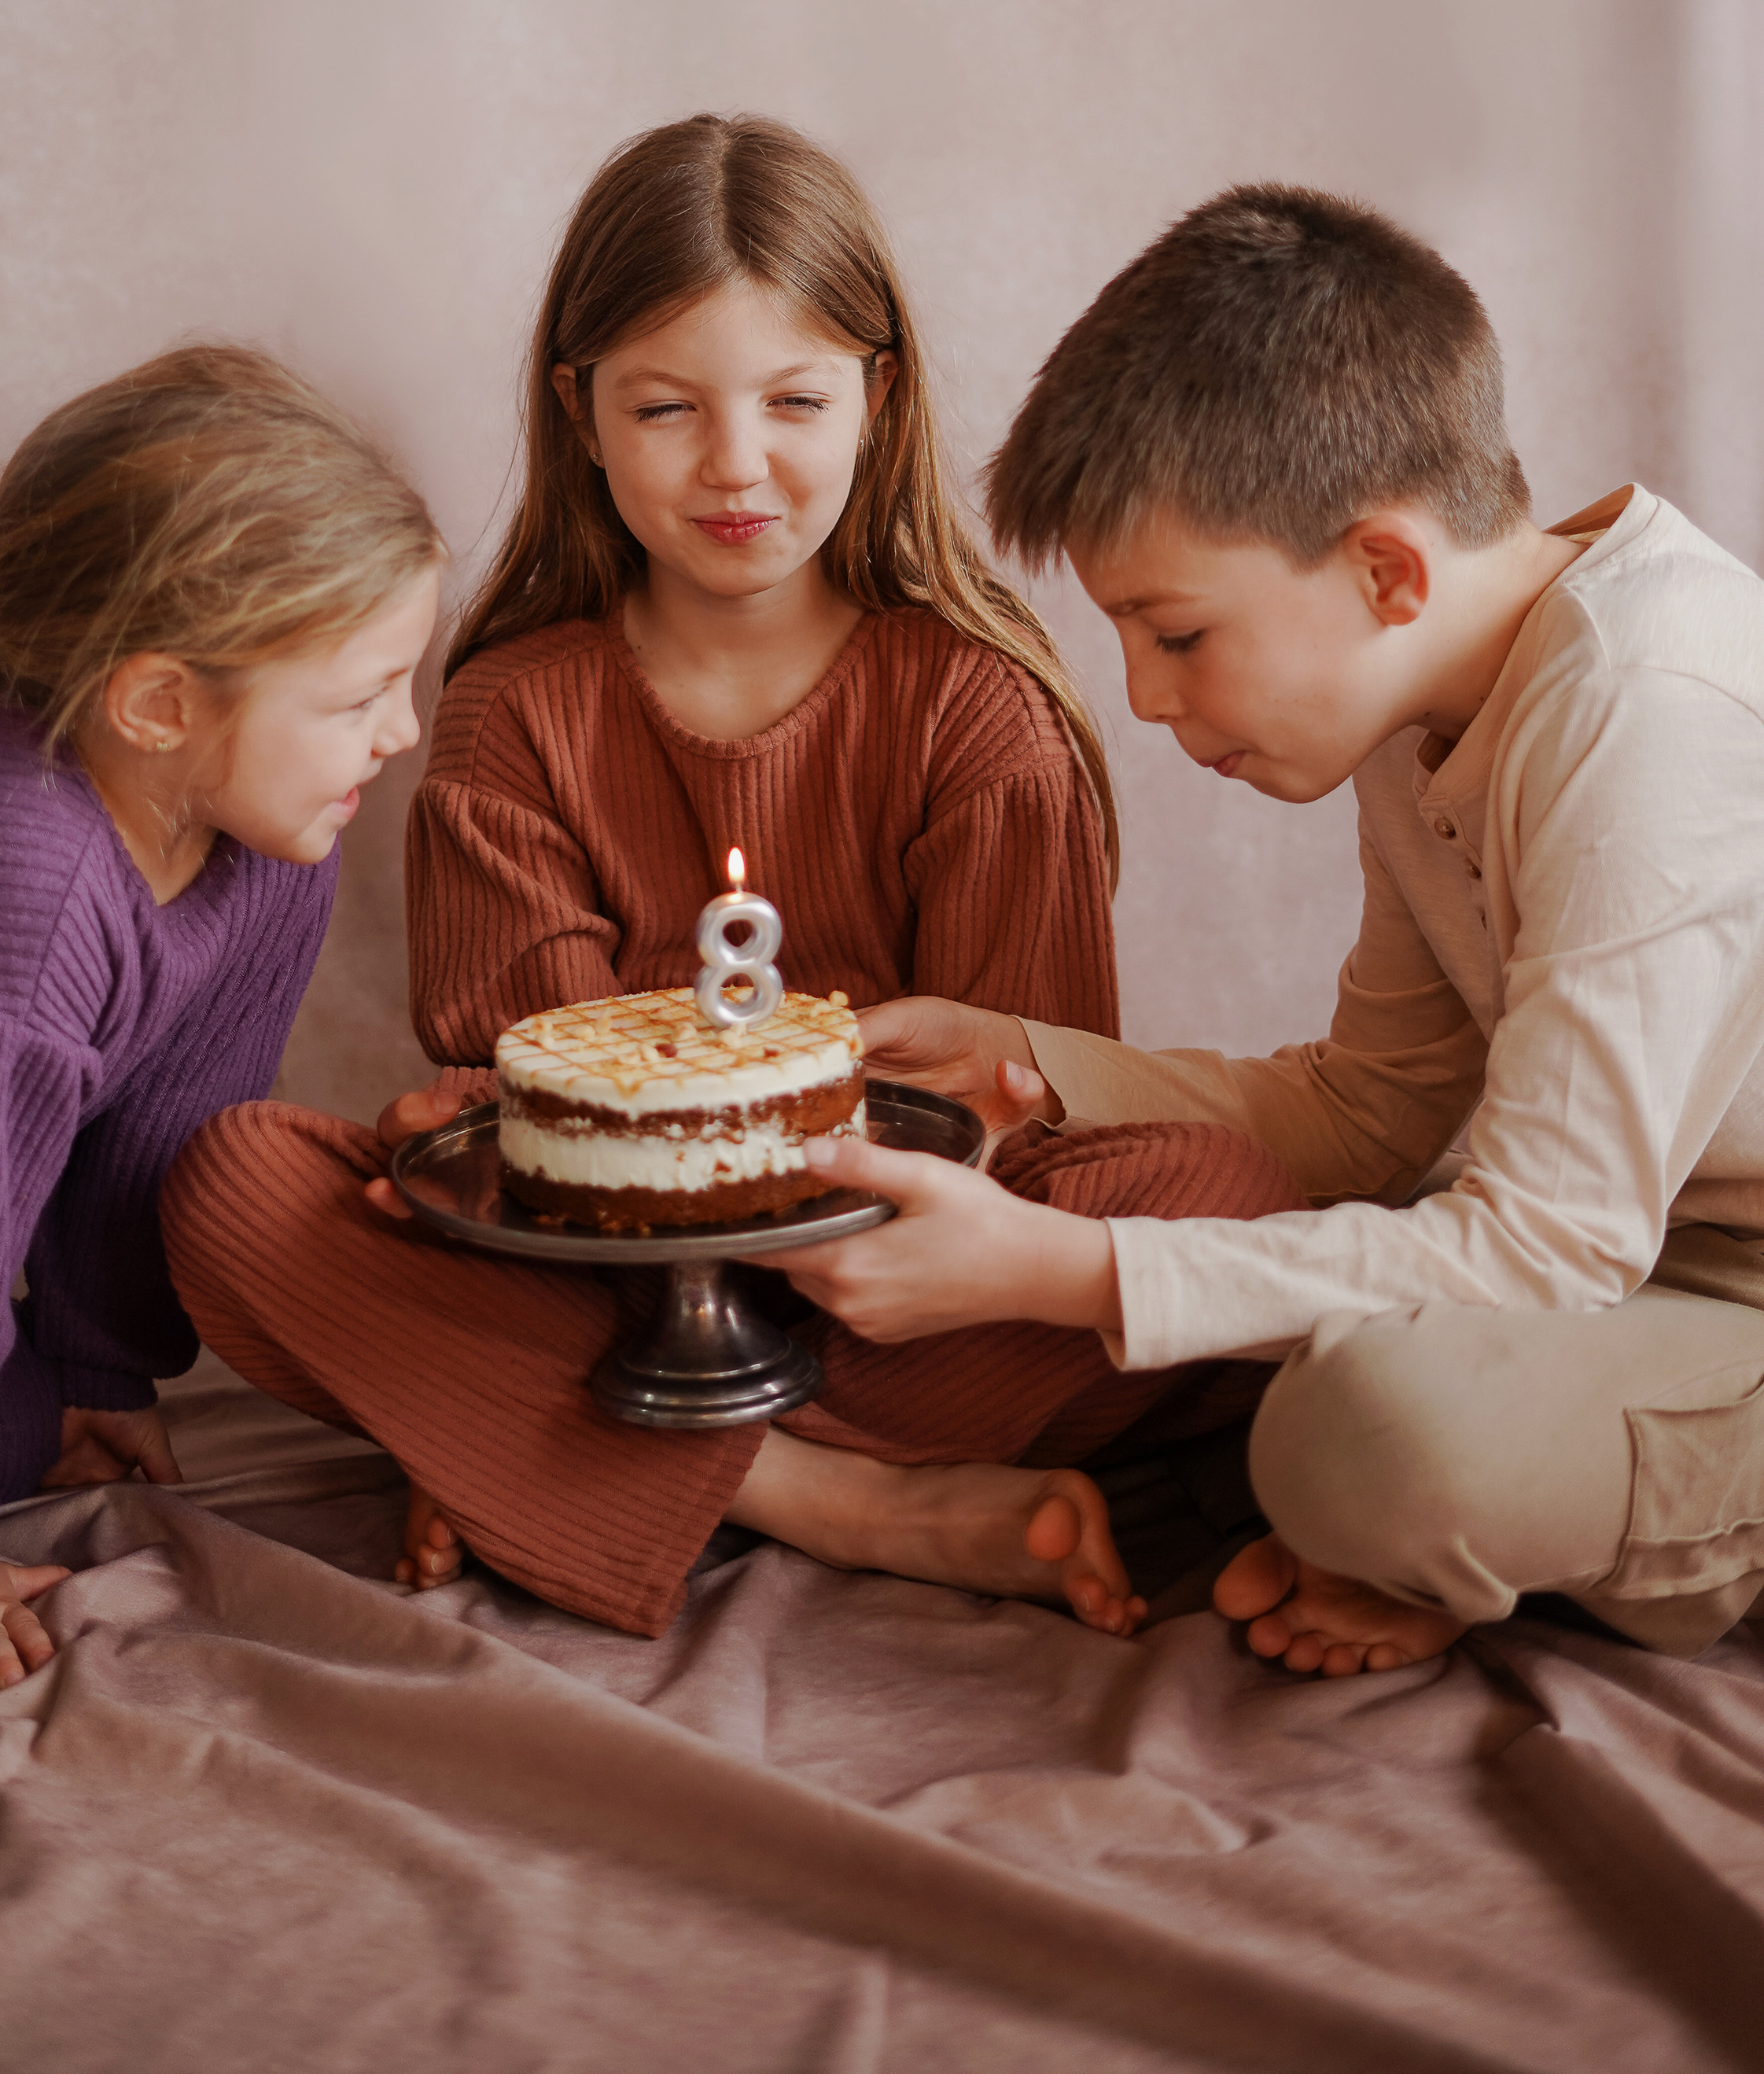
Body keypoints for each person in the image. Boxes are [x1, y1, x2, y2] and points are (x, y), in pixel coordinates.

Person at [164, 118, 1298, 1638]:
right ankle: (828, 1498)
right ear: (581, 414)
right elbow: (544, 1141)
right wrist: (469, 1150)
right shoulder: (516, 711)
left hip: (901, 1295)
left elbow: (1025, 1115)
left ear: (877, 398)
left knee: (1226, 1195)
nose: (736, 465)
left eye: (795, 399)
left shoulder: (976, 711)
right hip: (592, 1283)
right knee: (237, 1181)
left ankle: (521, 1446)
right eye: (665, 406)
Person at [775, 180, 1764, 1676]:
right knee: (1304, 1395)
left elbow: (1549, 1251)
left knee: (1360, 1433)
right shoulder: (1418, 704)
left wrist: (1060, 1269)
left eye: (1177, 636)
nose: (1153, 700)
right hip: (1646, 1273)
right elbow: (1373, 1110)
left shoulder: (1645, 707)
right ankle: (1494, 1527)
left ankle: (1510, 1526)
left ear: (1386, 570)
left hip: (1670, 1277)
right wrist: (1027, 1059)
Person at [0, 346, 440, 1706]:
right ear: (160, 704)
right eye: (360, 698)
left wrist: (95, 1365)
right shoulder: (7, 885)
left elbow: (159, 1138)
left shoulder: (274, 843)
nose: (402, 734)